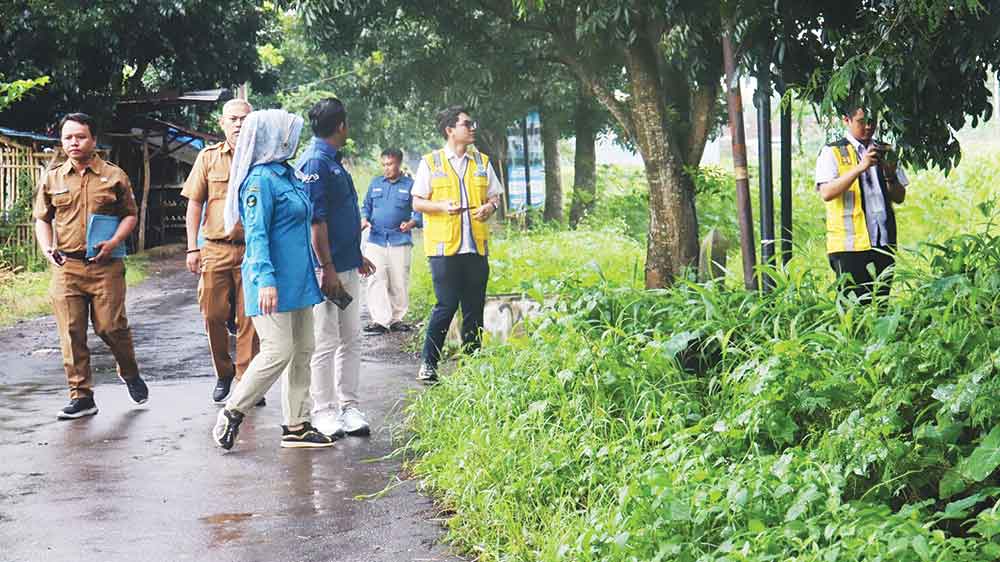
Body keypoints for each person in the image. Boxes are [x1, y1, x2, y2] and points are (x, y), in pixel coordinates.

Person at [212, 109, 332, 450]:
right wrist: (265, 279)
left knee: (303, 350)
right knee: (277, 351)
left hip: (300, 281)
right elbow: (257, 234)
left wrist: (319, 270)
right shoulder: (259, 181)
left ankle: (297, 424)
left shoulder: (288, 175)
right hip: (271, 282)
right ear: (271, 138)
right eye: (288, 134)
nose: (294, 139)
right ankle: (233, 411)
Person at [33, 113, 149, 419]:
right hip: (66, 266)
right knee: (71, 332)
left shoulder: (114, 176)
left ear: (93, 140)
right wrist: (48, 249)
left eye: (80, 136)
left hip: (106, 266)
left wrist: (114, 241)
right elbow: (42, 219)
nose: (74, 142)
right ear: (62, 141)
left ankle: (129, 370)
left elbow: (130, 215)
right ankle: (81, 395)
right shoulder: (53, 178)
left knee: (110, 327)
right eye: (68, 137)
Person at [296, 98, 376, 438]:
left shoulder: (334, 162)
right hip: (325, 270)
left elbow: (341, 217)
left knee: (351, 338)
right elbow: (316, 223)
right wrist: (326, 267)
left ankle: (349, 405)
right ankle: (324, 410)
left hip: (346, 264)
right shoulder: (315, 161)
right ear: (340, 125)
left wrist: (356, 255)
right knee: (326, 340)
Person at [412, 106, 503, 384]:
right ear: (450, 130)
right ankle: (429, 363)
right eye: (466, 124)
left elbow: (495, 198)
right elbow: (417, 201)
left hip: (475, 247)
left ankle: (473, 365)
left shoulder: (482, 162)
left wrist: (489, 208)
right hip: (444, 250)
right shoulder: (431, 162)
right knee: (446, 305)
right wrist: (440, 206)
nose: (472, 128)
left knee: (474, 308)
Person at [181, 98, 262, 404]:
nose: (239, 124)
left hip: (252, 250)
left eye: (244, 118)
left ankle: (246, 381)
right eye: (233, 119)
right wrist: (193, 247)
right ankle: (224, 372)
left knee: (249, 318)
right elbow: (194, 203)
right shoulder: (208, 158)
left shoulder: (263, 158)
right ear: (222, 123)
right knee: (212, 313)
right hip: (214, 248)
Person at [816, 106, 909, 302]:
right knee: (854, 308)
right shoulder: (832, 151)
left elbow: (900, 197)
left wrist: (890, 175)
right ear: (846, 120)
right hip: (848, 246)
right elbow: (826, 192)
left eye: (872, 121)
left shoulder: (886, 150)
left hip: (883, 241)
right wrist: (861, 167)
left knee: (880, 305)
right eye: (861, 121)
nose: (868, 126)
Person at [360, 148, 422, 334]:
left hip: (399, 239)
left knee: (398, 279)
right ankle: (380, 320)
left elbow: (419, 212)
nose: (387, 168)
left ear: (399, 163)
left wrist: (411, 223)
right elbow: (366, 207)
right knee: (375, 278)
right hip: (376, 239)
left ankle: (397, 319)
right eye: (384, 164)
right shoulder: (375, 183)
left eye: (390, 164)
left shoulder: (411, 185)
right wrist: (364, 219)